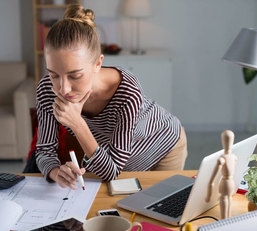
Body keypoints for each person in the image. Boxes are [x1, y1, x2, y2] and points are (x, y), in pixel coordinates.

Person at [35, 3, 187, 189]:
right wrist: (56, 172)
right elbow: (44, 151)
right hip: (115, 157)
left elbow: (111, 172)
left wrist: (77, 123)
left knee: (159, 208)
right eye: (54, 75)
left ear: (98, 63)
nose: (63, 88)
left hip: (163, 145)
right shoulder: (47, 90)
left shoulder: (127, 91)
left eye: (75, 76)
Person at [205, 130, 237, 219]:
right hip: (231, 183)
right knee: (229, 198)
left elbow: (212, 180)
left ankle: (224, 220)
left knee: (225, 198)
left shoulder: (222, 159)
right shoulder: (234, 157)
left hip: (226, 183)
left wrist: (208, 196)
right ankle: (226, 220)